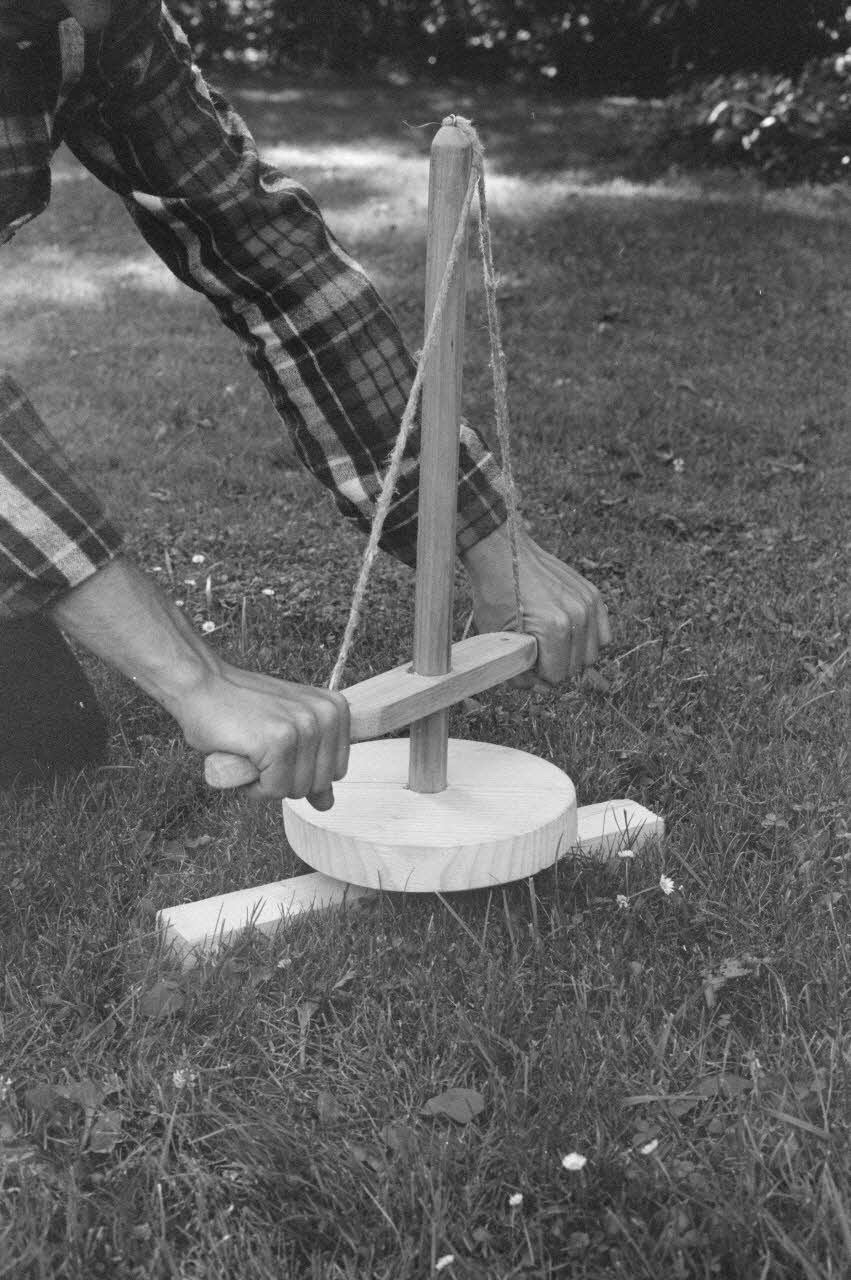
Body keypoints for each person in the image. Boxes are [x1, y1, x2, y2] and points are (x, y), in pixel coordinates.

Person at [0, 0, 610, 805]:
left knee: (40, 739)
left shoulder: (101, 22)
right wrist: (196, 678)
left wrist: (481, 533)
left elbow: (265, 256)